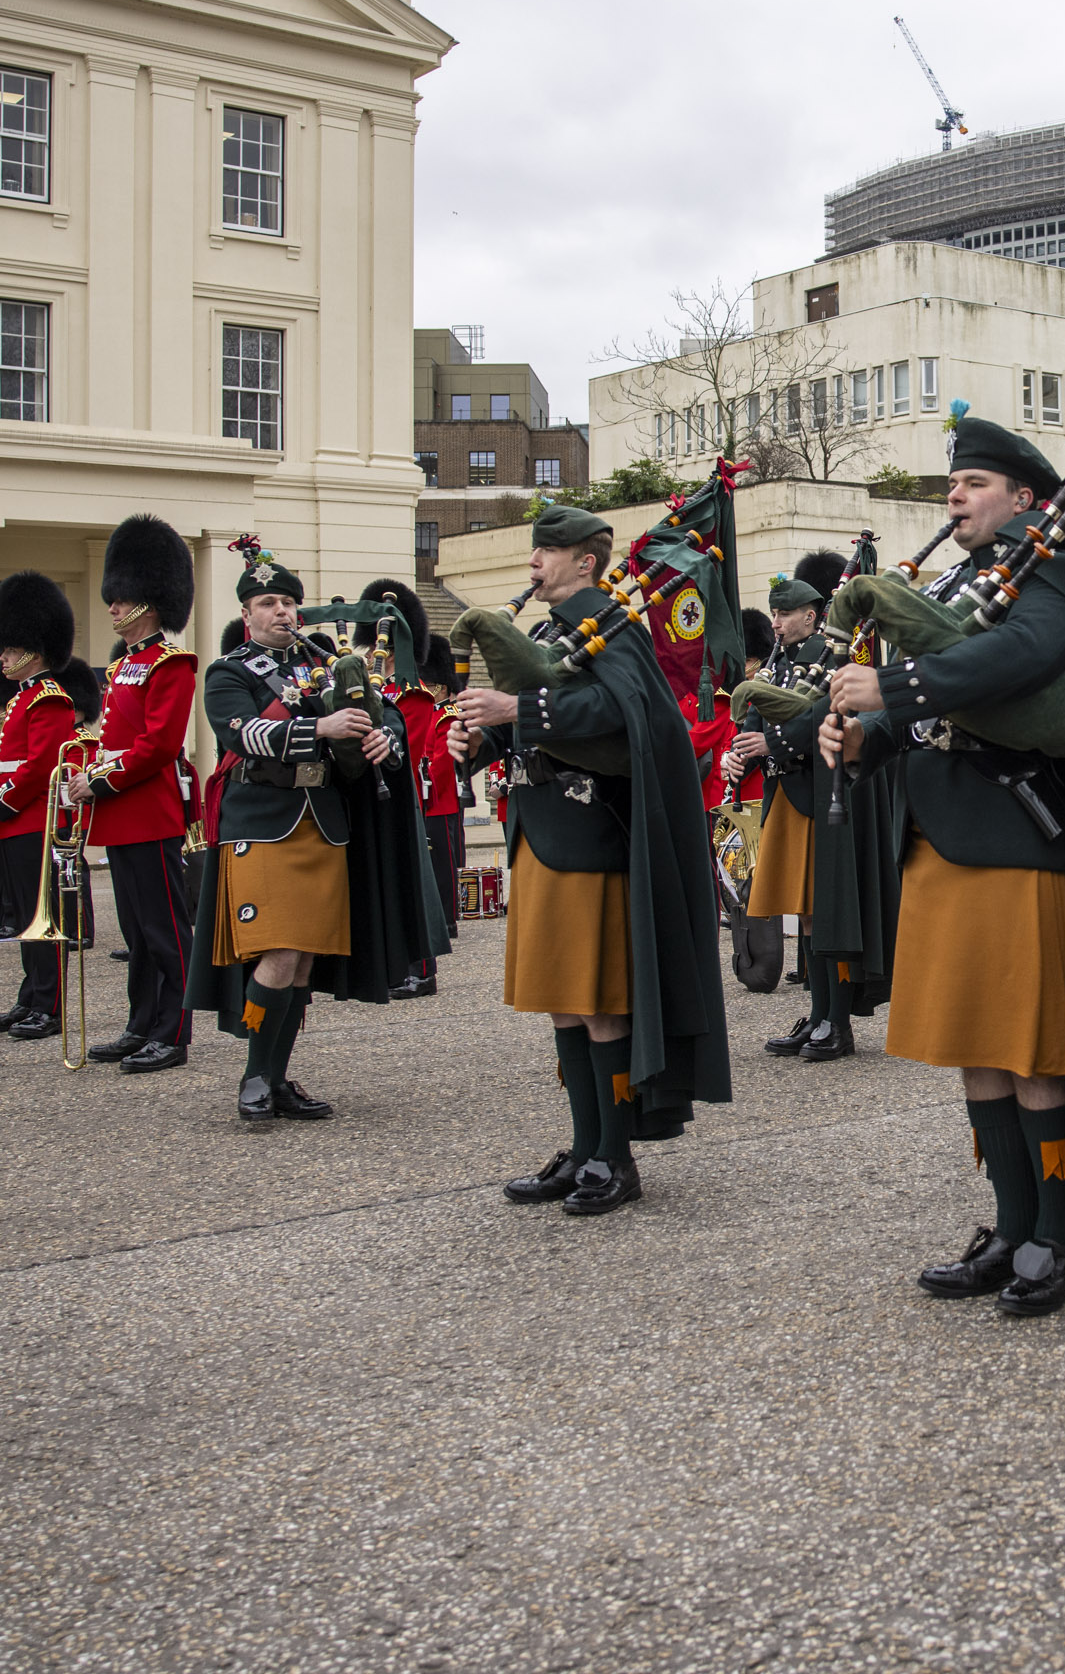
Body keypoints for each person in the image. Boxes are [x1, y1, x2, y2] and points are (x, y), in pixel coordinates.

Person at [820, 413, 1065, 1318]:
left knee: (1033, 1052)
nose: (954, 497)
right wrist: (864, 738)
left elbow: (1017, 661)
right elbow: (935, 712)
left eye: (974, 485)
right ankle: (1008, 1226)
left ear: (1025, 499)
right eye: (952, 486)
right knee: (976, 1052)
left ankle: (1058, 1236)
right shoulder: (963, 582)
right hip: (945, 840)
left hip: (1018, 842)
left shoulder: (1055, 578)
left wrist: (897, 684)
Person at [452, 507, 730, 1204]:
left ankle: (615, 1157)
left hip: (591, 834)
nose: (534, 563)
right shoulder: (551, 633)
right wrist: (482, 740)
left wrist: (516, 711)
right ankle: (583, 1147)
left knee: (600, 1002)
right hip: (543, 833)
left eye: (548, 550)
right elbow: (538, 727)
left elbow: (621, 714)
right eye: (535, 549)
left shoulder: (612, 626)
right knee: (563, 1004)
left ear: (586, 560)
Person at [182, 536, 444, 1121]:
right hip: (264, 821)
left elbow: (391, 711)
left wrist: (384, 737)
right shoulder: (228, 672)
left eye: (288, 603)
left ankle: (276, 1078)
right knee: (278, 954)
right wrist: (322, 727)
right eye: (269, 603)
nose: (282, 612)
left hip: (322, 823)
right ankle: (254, 1075)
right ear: (246, 614)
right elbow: (242, 735)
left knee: (301, 962)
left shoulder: (322, 664)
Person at [67, 518, 201, 1071]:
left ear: (150, 602)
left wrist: (98, 779)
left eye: (122, 600)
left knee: (166, 930)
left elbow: (158, 746)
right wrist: (82, 773)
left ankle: (173, 1031)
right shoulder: (123, 664)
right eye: (114, 599)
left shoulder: (172, 664)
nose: (113, 608)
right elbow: (115, 737)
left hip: (149, 811)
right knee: (136, 932)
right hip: (121, 814)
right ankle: (140, 1022)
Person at [728, 552, 863, 1060]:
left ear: (812, 615)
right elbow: (757, 715)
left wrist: (772, 745)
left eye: (786, 614)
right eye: (774, 614)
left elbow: (825, 715)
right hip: (786, 795)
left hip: (821, 791)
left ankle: (838, 1021)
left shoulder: (834, 658)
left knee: (824, 911)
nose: (777, 623)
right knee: (805, 914)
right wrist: (741, 749)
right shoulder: (778, 665)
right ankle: (818, 1012)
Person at [0, 575, 82, 1042]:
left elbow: (39, 766)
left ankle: (49, 1005)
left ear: (32, 651)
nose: (2, 658)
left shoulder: (49, 698)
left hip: (30, 819)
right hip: (11, 821)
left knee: (43, 915)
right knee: (24, 917)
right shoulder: (22, 699)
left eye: (9, 651)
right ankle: (31, 996)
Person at [359, 578, 460, 1003]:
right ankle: (395, 966)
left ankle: (422, 970)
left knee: (414, 885)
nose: (373, 655)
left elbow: (414, 752)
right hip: (376, 798)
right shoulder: (372, 691)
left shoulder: (412, 697)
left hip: (409, 800)